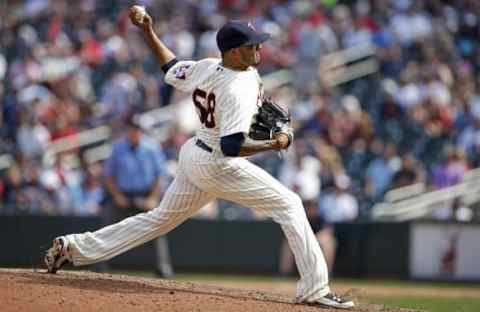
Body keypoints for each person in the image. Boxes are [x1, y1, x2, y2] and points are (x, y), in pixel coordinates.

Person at [44, 6, 354, 309]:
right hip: (218, 161)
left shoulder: (209, 67)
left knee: (159, 220)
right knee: (290, 204)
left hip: (195, 154)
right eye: (251, 44)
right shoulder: (237, 88)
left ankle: (73, 247)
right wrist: (275, 144)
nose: (259, 47)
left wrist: (148, 31)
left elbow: (170, 67)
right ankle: (315, 289)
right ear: (233, 52)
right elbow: (232, 147)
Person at [102, 113, 174, 277]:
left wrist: (153, 198)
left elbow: (160, 176)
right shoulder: (118, 147)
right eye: (132, 129)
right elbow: (108, 176)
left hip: (145, 195)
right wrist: (117, 196)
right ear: (128, 130)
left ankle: (163, 268)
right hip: (122, 196)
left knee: (158, 229)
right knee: (107, 228)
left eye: (137, 129)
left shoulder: (152, 147)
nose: (135, 132)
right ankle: (99, 266)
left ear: (142, 131)